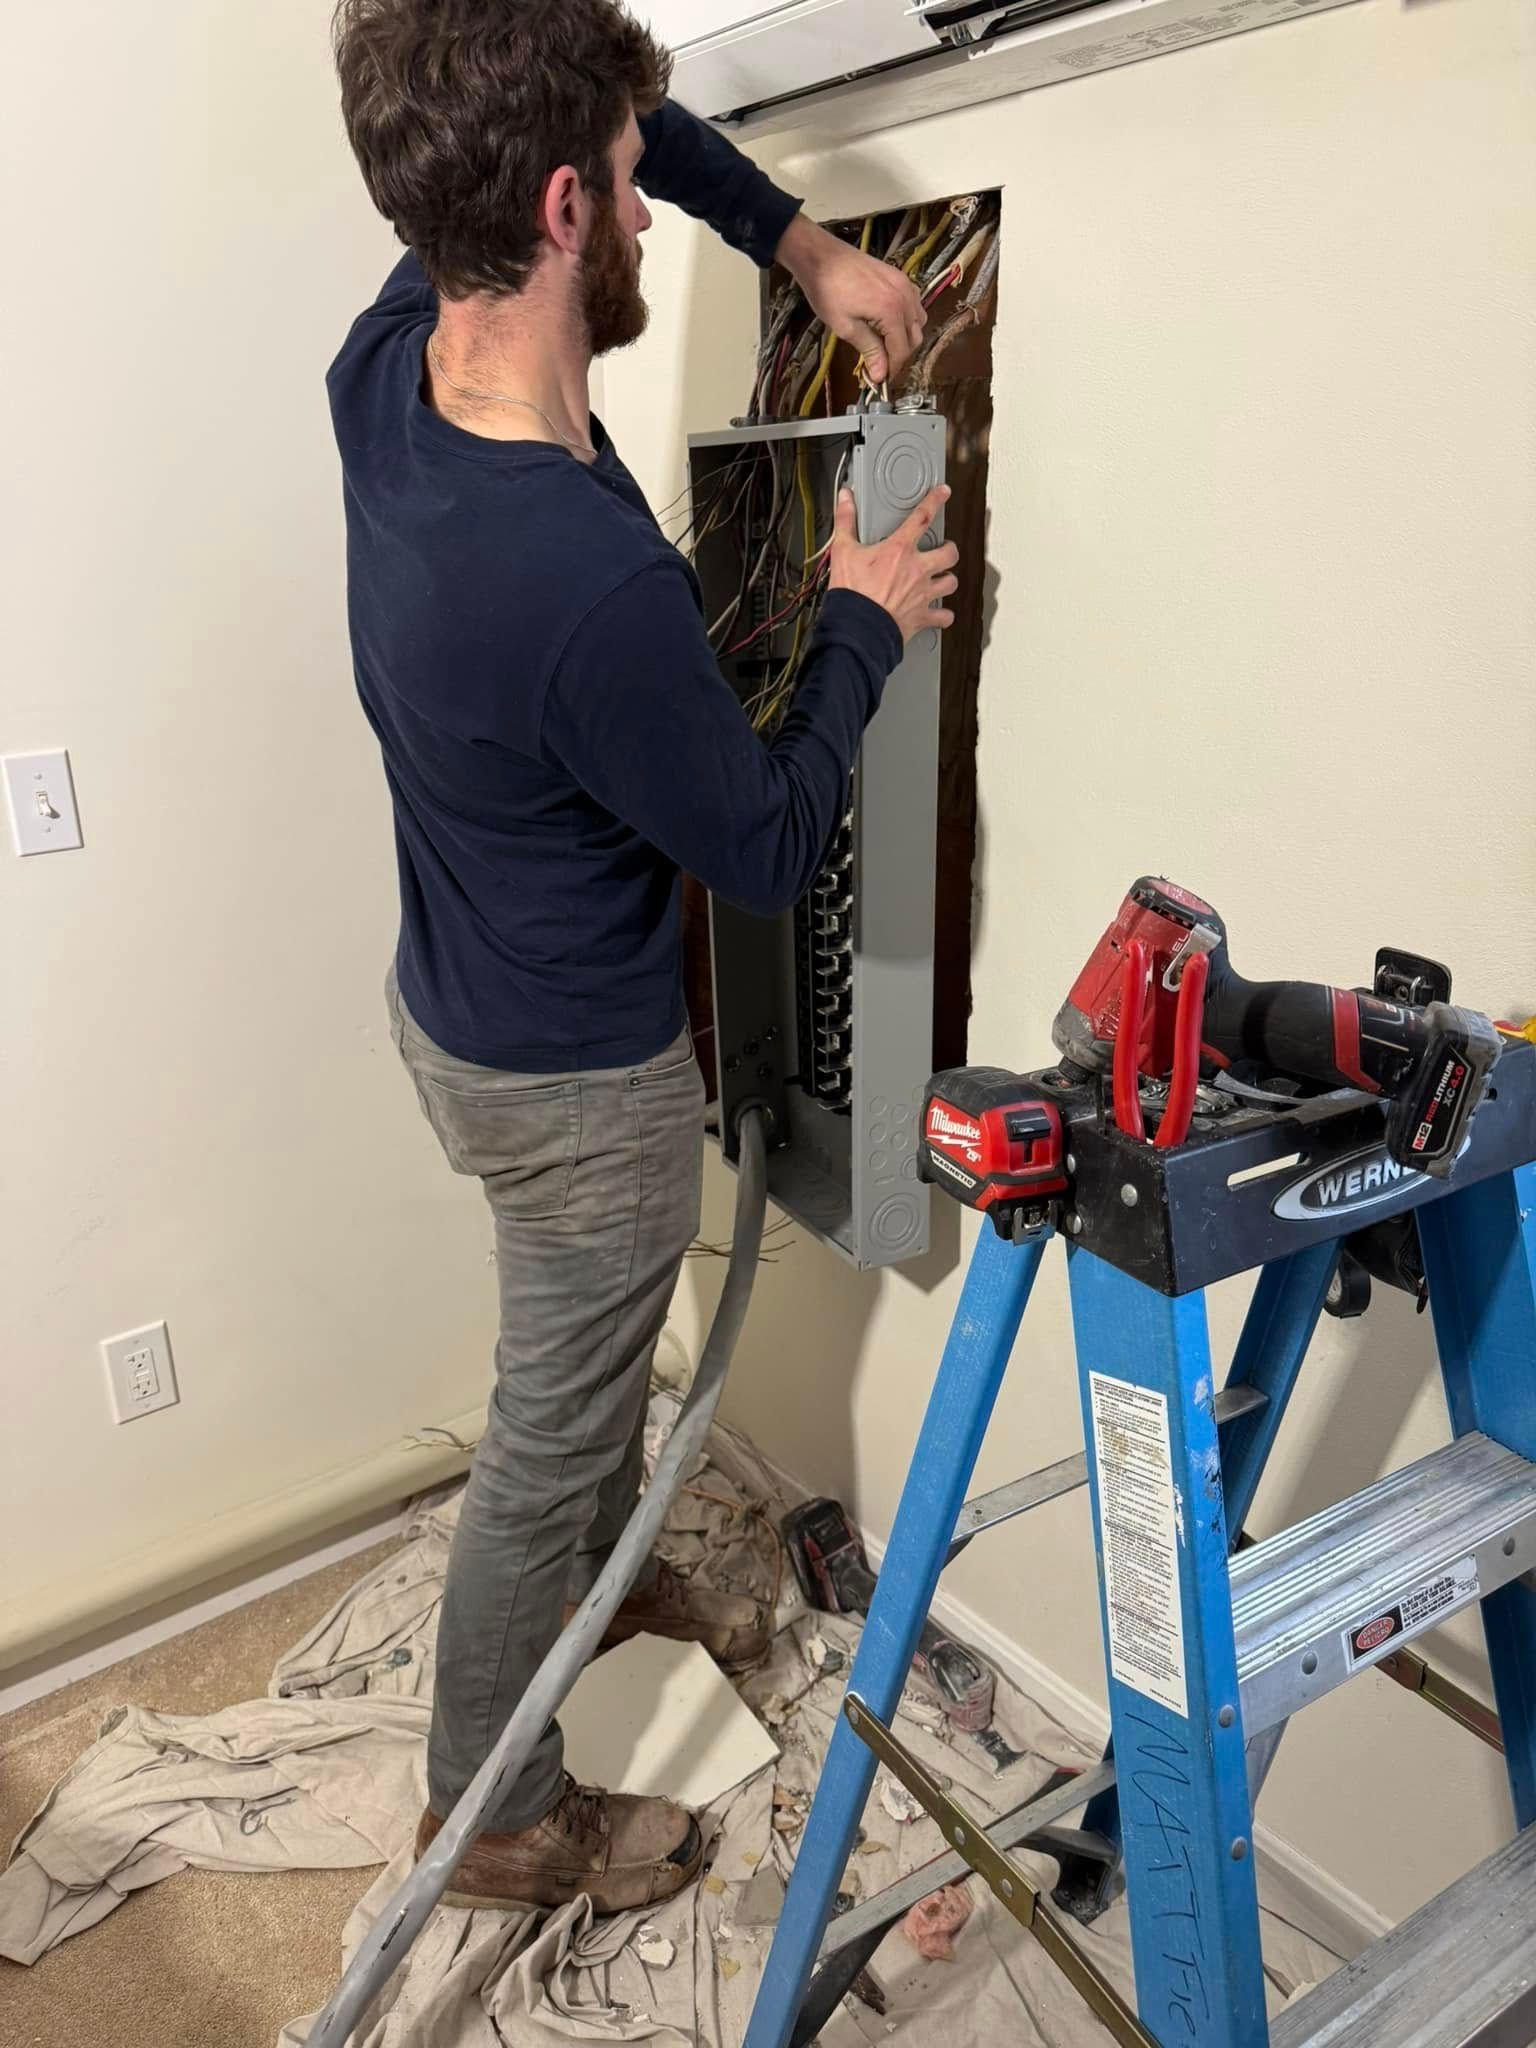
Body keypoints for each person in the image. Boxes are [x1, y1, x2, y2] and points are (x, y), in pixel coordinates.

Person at [327, 0, 959, 1915]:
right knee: (551, 1430)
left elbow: (577, 139)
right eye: (627, 182)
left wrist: (798, 238)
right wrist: (863, 618)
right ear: (564, 209)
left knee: (580, 1397)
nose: (645, 200)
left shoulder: (382, 366)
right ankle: (496, 1807)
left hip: (454, 1007)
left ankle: (596, 1580)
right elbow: (763, 837)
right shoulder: (583, 583)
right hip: (578, 1092)